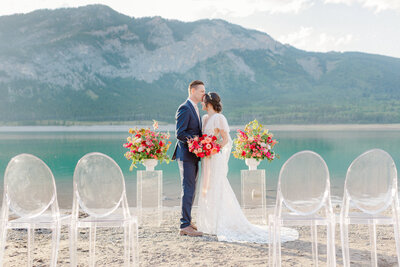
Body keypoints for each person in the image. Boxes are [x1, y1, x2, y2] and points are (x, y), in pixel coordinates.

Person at [197, 92, 298, 243]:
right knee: (206, 188)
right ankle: (209, 223)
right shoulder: (205, 118)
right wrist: (202, 148)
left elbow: (225, 140)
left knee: (217, 186)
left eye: (203, 101)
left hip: (214, 156)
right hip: (205, 158)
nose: (201, 103)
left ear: (209, 103)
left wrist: (212, 148)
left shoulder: (219, 118)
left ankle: (220, 223)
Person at [172, 80, 205, 237]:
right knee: (188, 189)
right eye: (201, 91)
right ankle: (184, 225)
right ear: (192, 91)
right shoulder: (184, 107)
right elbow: (180, 133)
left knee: (192, 189)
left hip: (193, 155)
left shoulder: (195, 108)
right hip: (186, 155)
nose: (204, 94)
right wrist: (196, 142)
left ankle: (188, 221)